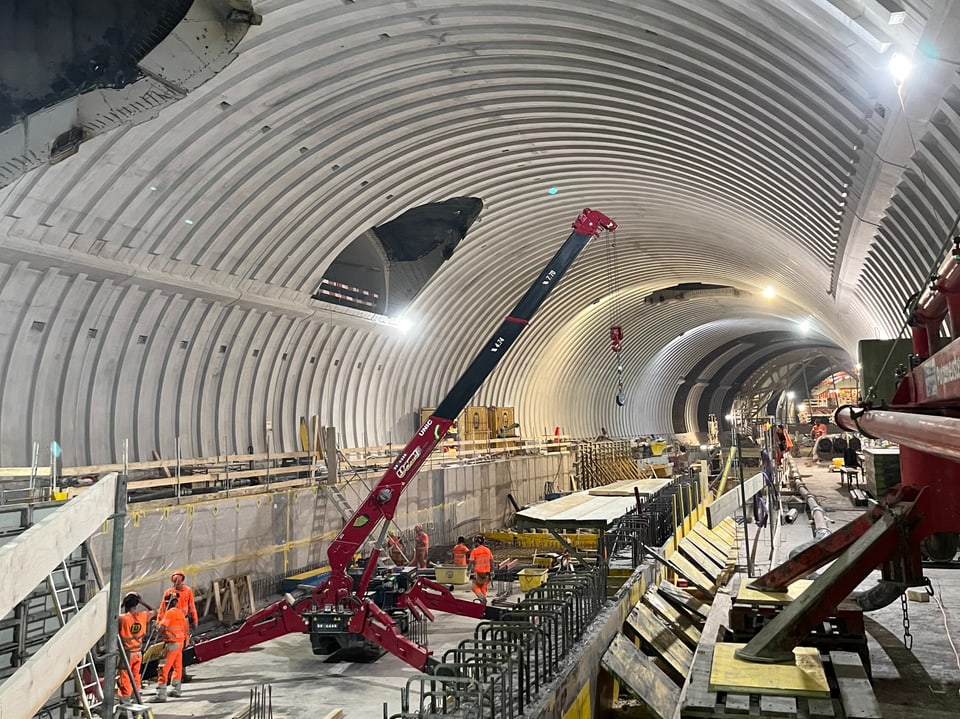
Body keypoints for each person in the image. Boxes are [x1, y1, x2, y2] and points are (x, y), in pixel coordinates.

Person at [117, 592, 155, 699]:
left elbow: (112, 616)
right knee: (135, 676)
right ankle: (136, 698)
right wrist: (142, 600)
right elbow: (155, 611)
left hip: (127, 654)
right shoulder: (142, 616)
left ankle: (125, 701)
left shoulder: (122, 619)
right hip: (138, 653)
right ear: (136, 605)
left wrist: (121, 604)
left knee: (125, 677)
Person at [152, 595, 188, 702]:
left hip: (172, 644)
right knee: (177, 666)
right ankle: (176, 689)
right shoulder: (180, 613)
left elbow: (161, 628)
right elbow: (185, 628)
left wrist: (155, 625)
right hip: (180, 642)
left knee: (163, 668)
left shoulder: (169, 613)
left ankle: (161, 694)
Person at [468, 535, 494, 604]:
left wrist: (468, 570)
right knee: (484, 588)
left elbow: (471, 562)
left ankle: (481, 598)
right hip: (486, 574)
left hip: (478, 574)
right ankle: (483, 603)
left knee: (475, 587)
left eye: (474, 542)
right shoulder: (488, 550)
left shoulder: (475, 551)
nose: (474, 544)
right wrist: (492, 571)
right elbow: (492, 561)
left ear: (477, 542)